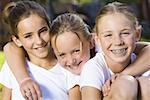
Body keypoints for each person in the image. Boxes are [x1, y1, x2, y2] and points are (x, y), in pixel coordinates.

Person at [0, 1, 81, 100]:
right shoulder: (13, 67)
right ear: (17, 40)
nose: (39, 41)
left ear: (50, 27)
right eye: (28, 36)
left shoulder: (69, 66)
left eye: (43, 31)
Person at [80, 2, 150, 100]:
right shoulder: (94, 68)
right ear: (97, 39)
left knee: (146, 84)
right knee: (125, 84)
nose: (118, 42)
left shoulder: (140, 61)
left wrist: (123, 74)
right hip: (124, 87)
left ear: (137, 34)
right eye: (108, 35)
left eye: (125, 33)